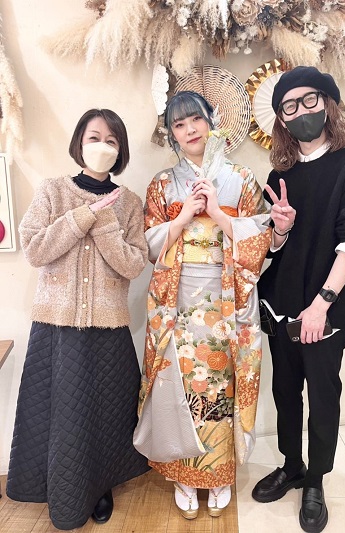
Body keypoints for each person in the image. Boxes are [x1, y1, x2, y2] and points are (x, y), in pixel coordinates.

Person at [132, 90, 281, 519]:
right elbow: (148, 246)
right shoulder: (162, 183)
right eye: (179, 125)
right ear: (172, 135)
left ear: (211, 120)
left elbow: (260, 241)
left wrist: (217, 212)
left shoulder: (242, 179)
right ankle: (183, 474)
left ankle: (217, 474)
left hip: (227, 298)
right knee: (179, 382)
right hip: (177, 300)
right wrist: (182, 218)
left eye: (195, 119)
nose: (189, 130)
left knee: (219, 383)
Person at [253, 66, 345, 533]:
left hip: (325, 310)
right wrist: (280, 230)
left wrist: (322, 303)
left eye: (310, 100)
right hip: (280, 305)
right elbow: (272, 248)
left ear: (328, 104)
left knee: (323, 395)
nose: (301, 111)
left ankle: (315, 480)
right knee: (285, 391)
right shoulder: (280, 174)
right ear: (281, 120)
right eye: (289, 106)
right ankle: (292, 465)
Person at [6, 109, 150, 530]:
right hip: (55, 328)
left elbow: (133, 264)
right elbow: (35, 250)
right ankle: (59, 487)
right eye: (94, 137)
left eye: (111, 140)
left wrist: (104, 225)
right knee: (62, 414)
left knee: (106, 414)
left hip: (109, 328)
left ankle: (100, 485)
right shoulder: (52, 191)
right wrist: (81, 216)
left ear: (120, 151)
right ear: (79, 143)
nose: (102, 146)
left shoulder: (129, 203)